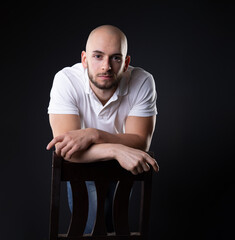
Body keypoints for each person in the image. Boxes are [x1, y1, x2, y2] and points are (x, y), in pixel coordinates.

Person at [46, 25, 159, 234]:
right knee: (94, 226)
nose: (106, 66)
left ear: (126, 63)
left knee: (112, 225)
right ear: (84, 59)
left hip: (121, 166)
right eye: (98, 56)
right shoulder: (66, 80)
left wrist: (93, 134)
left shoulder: (143, 81)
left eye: (115, 58)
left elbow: (141, 141)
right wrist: (116, 150)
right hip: (87, 164)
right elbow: (66, 150)